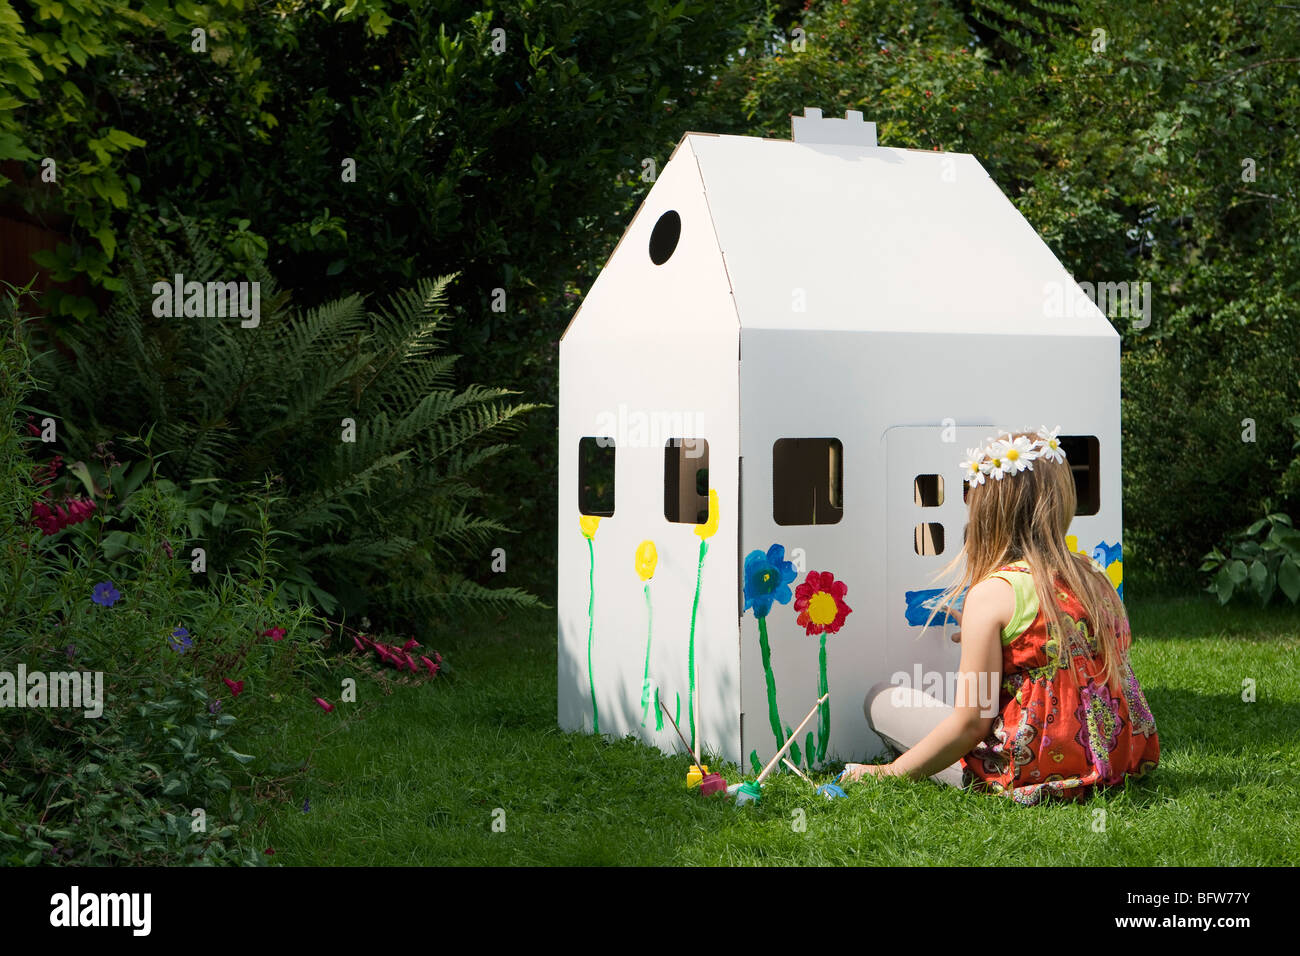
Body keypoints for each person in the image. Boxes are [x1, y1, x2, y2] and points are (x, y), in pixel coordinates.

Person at [844, 427, 1159, 805]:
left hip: (1023, 772)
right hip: (1111, 763)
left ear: (985, 511)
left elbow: (971, 723)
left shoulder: (992, 593)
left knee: (881, 699)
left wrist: (887, 774)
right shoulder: (1093, 575)